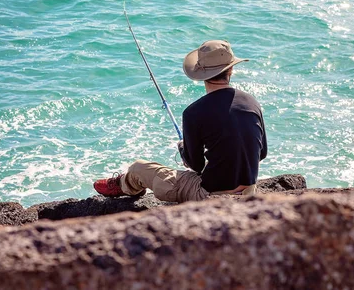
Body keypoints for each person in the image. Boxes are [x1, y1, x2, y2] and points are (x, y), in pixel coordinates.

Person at [93, 40, 268, 202]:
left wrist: (183, 149)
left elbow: (196, 166)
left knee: (139, 168)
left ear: (201, 73)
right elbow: (262, 153)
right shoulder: (252, 102)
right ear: (231, 70)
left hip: (210, 196)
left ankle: (125, 185)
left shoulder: (194, 112)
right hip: (250, 193)